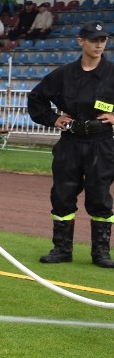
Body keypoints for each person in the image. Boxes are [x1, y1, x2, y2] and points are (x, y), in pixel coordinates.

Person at [27, 21, 114, 268]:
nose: (99, 44)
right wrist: (54, 119)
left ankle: (101, 253)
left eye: (103, 40)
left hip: (101, 144)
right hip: (70, 143)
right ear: (81, 42)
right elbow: (36, 100)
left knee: (100, 197)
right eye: (94, 39)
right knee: (63, 194)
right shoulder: (63, 74)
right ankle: (62, 249)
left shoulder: (112, 73)